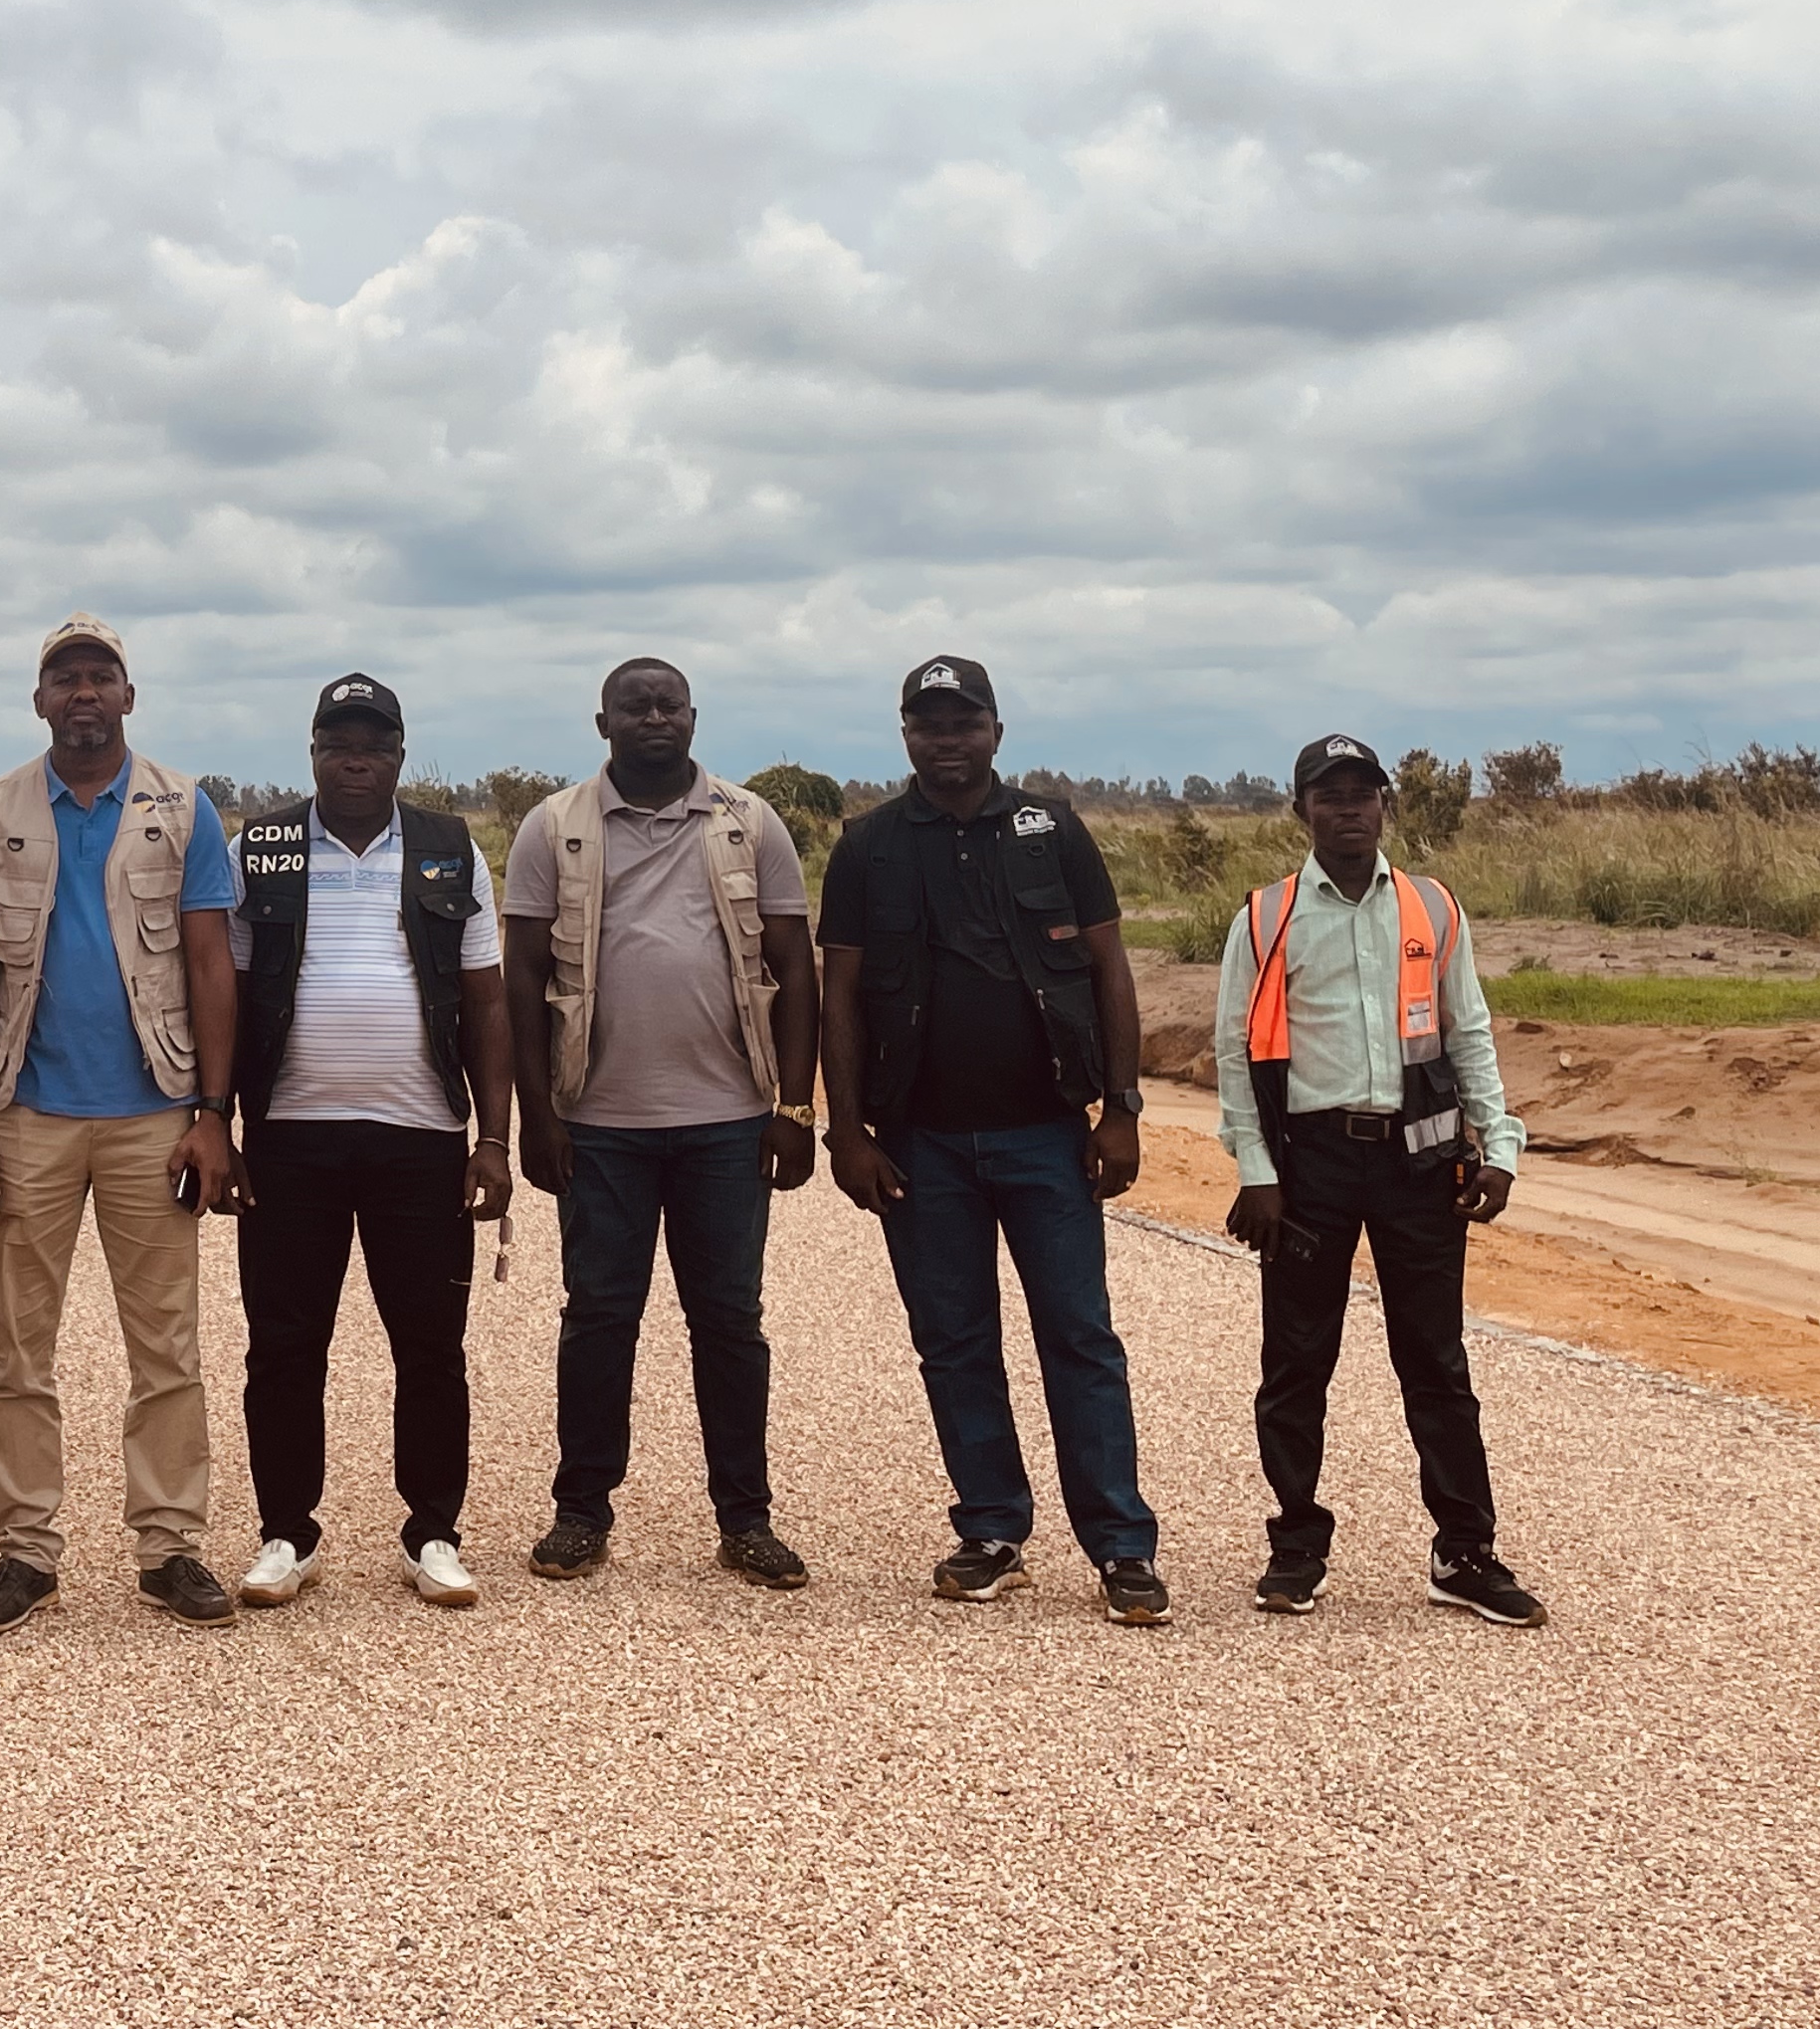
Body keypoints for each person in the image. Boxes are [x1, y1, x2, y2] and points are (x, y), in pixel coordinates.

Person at [815, 656, 1168, 1625]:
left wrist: (1122, 1109)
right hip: (919, 1145)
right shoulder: (868, 847)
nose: (947, 739)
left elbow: (1109, 967)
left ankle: (1122, 1547)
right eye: (928, 724)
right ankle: (991, 1530)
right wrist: (846, 1131)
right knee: (954, 1341)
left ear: (996, 733)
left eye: (964, 722)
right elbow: (841, 994)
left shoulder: (1052, 830)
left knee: (1080, 1338)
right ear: (905, 736)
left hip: (1046, 1137)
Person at [0, 613, 245, 1635]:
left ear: (128, 696)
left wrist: (213, 1113)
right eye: (64, 677)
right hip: (28, 1116)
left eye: (99, 676)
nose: (82, 692)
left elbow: (209, 960)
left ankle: (170, 1547)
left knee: (167, 1347)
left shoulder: (182, 809)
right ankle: (26, 1551)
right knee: (18, 1351)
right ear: (39, 700)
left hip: (155, 1116)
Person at [506, 657, 820, 1591]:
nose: (653, 717)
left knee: (729, 1322)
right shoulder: (552, 827)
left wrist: (794, 1106)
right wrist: (536, 1117)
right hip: (598, 1123)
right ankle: (581, 1513)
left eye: (668, 704)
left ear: (692, 716)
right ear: (602, 722)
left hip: (729, 1122)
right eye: (634, 706)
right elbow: (522, 977)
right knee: (599, 1319)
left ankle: (746, 1520)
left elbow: (795, 964)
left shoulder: (749, 822)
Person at [1217, 734, 1541, 1626]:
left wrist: (1500, 1147)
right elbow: (1236, 1053)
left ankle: (1464, 1551)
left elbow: (1468, 1030)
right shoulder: (1266, 918)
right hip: (1309, 1168)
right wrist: (1257, 1171)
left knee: (1436, 1361)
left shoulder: (1433, 909)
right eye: (1330, 795)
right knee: (1296, 1363)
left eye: (1363, 793)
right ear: (1301, 811)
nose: (1349, 809)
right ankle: (1296, 1544)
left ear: (1385, 806)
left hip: (1419, 1161)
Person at [227, 674, 510, 1612]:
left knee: (430, 1346)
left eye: (374, 745)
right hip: (288, 1140)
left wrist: (494, 1138)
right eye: (338, 744)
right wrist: (219, 1122)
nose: (356, 760)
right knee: (282, 1345)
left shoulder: (448, 846)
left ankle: (433, 1534)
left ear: (399, 755)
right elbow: (227, 993)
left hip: (421, 1138)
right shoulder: (259, 846)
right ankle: (285, 1533)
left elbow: (486, 1000)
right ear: (312, 754)